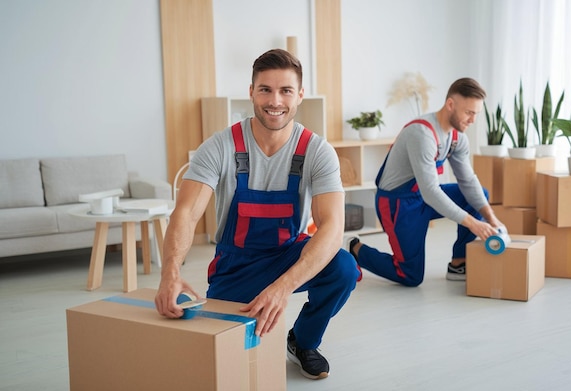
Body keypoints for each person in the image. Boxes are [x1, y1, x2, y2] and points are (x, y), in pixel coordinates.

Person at [155, 48, 359, 380]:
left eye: (285, 91)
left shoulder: (316, 151)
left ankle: (303, 341)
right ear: (251, 92)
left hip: (287, 256)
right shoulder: (220, 146)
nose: (274, 100)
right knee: (217, 362)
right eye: (265, 89)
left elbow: (332, 228)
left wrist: (282, 289)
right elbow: (187, 214)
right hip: (236, 264)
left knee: (343, 267)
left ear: (300, 95)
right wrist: (169, 274)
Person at [346, 78, 504, 286]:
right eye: (469, 113)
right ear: (450, 105)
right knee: (410, 275)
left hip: (423, 196)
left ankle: (458, 263)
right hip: (398, 204)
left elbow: (468, 181)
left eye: (476, 114)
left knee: (479, 195)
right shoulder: (422, 134)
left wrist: (491, 219)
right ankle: (356, 249)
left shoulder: (457, 138)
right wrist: (474, 224)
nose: (473, 120)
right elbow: (431, 192)